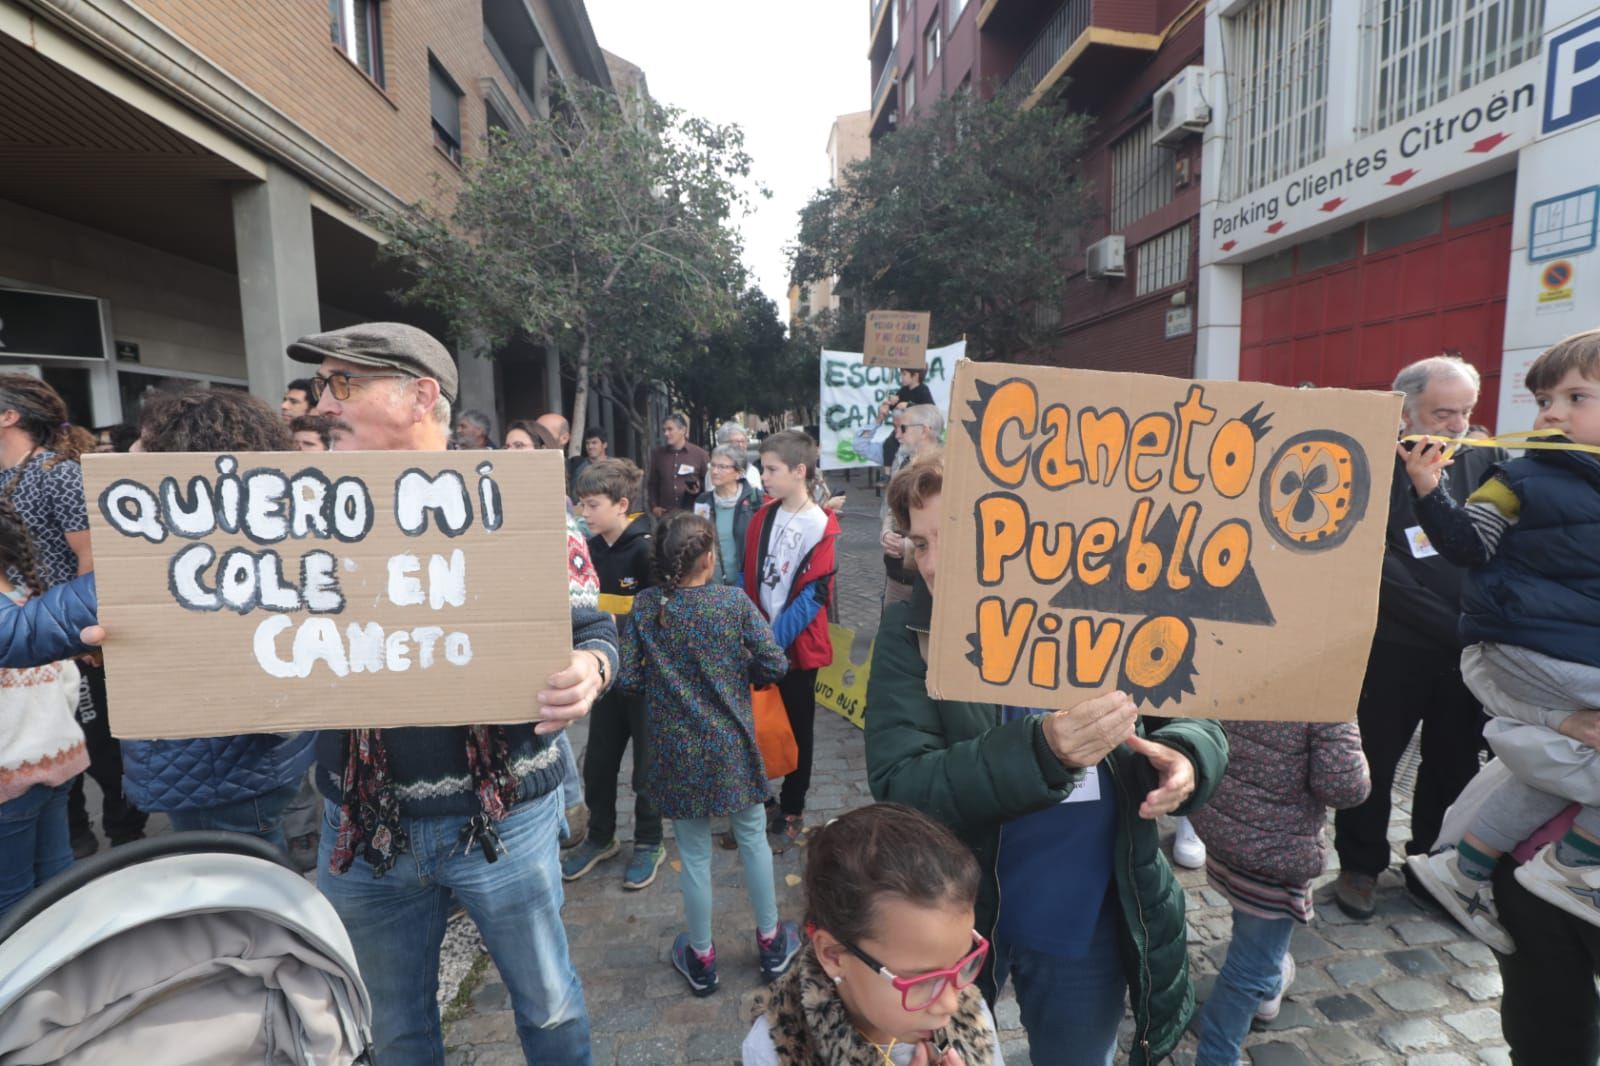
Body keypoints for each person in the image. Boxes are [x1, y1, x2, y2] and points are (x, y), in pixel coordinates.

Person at [298, 321, 613, 1063]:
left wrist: (592, 673)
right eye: (322, 386)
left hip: (503, 821)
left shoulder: (520, 506)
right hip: (361, 830)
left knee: (550, 1009)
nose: (320, 405)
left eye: (342, 385)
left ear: (422, 395)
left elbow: (596, 630)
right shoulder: (295, 514)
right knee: (393, 1029)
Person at [864, 449, 1228, 1066]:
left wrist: (1188, 756)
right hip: (960, 923)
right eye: (919, 543)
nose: (930, 562)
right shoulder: (909, 638)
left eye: (953, 536)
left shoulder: (1117, 610)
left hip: (1086, 927)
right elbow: (902, 785)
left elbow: (1196, 716)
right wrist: (1043, 751)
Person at [1401, 329, 1600, 950]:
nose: (1551, 413)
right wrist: (1430, 489)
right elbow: (1465, 543)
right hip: (1528, 647)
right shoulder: (1519, 476)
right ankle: (1576, 866)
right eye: (1546, 399)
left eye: (1574, 397)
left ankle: (1463, 869)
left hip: (1567, 653)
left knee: (1551, 770)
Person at [110, 388, 318, 851]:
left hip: (218, 771)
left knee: (240, 887)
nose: (131, 451)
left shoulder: (184, 551)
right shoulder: (262, 533)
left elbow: (27, 632)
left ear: (184, 457)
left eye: (146, 441)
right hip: (232, 767)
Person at [1333, 354, 1501, 921]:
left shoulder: (1485, 460)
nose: (1456, 424)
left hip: (1466, 650)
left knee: (1454, 763)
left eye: (1465, 412)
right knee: (1373, 759)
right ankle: (1358, 863)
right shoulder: (1371, 463)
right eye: (1443, 412)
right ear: (1405, 411)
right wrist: (1450, 622)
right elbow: (1371, 563)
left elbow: (1495, 545)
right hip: (1393, 647)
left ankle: (1431, 861)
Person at [621, 512, 801, 996]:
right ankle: (769, 942)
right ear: (708, 558)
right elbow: (774, 663)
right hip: (732, 745)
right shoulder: (731, 603)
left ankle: (702, 958)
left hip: (676, 751)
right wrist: (736, 668)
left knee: (695, 855)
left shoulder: (646, 606)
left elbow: (630, 679)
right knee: (753, 840)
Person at [0, 373, 144, 857]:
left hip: (69, 634)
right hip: (22, 639)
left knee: (99, 745)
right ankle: (74, 835)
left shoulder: (57, 473)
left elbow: (90, 559)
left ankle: (128, 841)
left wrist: (82, 637)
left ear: (9, 416)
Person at [743, 803, 1006, 1065]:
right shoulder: (775, 1051)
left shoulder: (973, 1018)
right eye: (922, 981)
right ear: (833, 955)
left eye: (962, 963)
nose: (950, 1004)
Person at [1189, 720, 1370, 1063]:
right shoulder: (1327, 696)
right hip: (1276, 852)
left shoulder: (1244, 666)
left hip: (1223, 825)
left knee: (1252, 927)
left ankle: (1271, 984)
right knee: (1249, 968)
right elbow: (1343, 786)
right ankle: (1216, 1056)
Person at [562, 459, 665, 890]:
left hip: (645, 683)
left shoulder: (647, 550)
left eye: (592, 505)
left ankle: (649, 841)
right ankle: (601, 836)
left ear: (622, 505)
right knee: (599, 765)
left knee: (646, 770)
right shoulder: (586, 549)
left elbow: (661, 619)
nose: (584, 514)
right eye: (581, 505)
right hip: (606, 681)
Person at [743, 430, 838, 847]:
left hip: (796, 647)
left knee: (799, 727)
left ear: (799, 471)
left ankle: (793, 804)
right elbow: (753, 577)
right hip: (759, 636)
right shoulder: (764, 515)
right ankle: (760, 798)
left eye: (771, 469)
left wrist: (768, 642)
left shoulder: (821, 526)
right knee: (756, 722)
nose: (764, 477)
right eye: (763, 469)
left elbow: (812, 596)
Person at [0, 498, 87, 919]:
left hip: (8, 777)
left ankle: (25, 981)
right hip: (61, 758)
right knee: (57, 878)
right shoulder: (29, 604)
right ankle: (67, 966)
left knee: (11, 901)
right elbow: (69, 685)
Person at [879, 405, 943, 607]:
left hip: (924, 583)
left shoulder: (950, 466)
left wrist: (908, 545)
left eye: (903, 428)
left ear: (924, 430)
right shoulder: (902, 459)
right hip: (896, 575)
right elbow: (892, 507)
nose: (897, 435)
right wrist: (886, 533)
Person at [695, 445, 762, 587]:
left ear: (739, 473)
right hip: (713, 587)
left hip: (747, 587)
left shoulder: (755, 501)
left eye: (722, 467)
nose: (714, 471)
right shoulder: (702, 501)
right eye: (712, 465)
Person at [649, 412, 710, 517]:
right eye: (664, 430)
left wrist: (698, 490)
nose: (666, 434)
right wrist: (654, 507)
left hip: (692, 515)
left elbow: (710, 484)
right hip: (666, 515)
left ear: (683, 430)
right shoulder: (658, 455)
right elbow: (652, 484)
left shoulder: (700, 455)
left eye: (670, 429)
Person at [878, 368, 935, 471]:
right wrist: (890, 403)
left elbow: (930, 409)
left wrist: (909, 405)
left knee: (911, 453)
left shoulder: (923, 390)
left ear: (915, 376)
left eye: (904, 374)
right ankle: (888, 474)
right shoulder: (904, 390)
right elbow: (895, 406)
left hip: (917, 430)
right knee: (888, 444)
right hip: (902, 428)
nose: (901, 377)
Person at [718, 421, 763, 493]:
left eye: (743, 441)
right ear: (723, 445)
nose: (740, 445)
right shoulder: (716, 471)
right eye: (736, 442)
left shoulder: (752, 470)